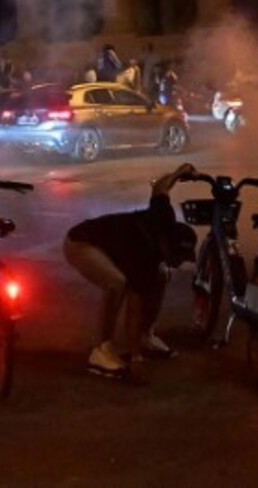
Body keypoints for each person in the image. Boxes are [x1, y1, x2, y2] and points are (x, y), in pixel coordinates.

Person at [62, 163, 199, 384]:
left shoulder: (162, 216)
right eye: (176, 256)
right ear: (165, 244)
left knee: (161, 274)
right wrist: (136, 358)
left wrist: (179, 173)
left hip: (107, 244)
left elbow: (161, 187)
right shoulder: (142, 254)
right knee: (116, 282)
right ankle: (101, 350)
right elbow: (133, 310)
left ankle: (147, 336)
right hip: (81, 242)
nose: (176, 262)